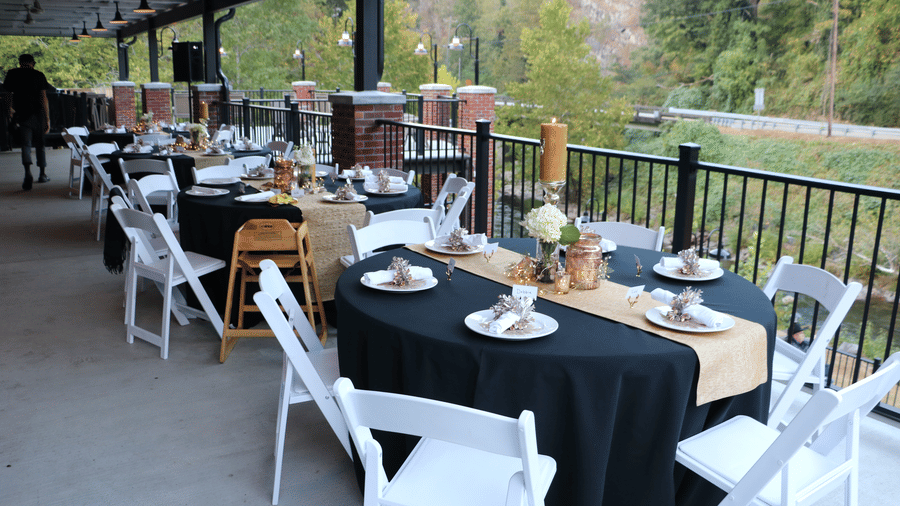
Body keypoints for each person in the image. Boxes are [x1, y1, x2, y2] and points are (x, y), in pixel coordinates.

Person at [3, 54, 52, 190]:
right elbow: (43, 97)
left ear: (20, 62)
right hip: (38, 115)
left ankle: (27, 173)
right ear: (33, 63)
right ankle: (42, 174)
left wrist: (9, 112)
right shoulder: (39, 75)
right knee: (40, 145)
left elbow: (7, 94)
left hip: (22, 114)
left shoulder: (12, 74)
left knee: (26, 145)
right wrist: (47, 118)